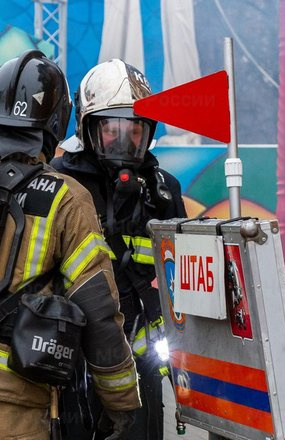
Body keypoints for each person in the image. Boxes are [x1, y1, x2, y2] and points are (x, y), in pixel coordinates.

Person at [0, 50, 140, 439]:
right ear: (59, 122)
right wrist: (121, 402)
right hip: (16, 410)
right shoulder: (66, 199)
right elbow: (98, 312)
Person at [52, 59, 187, 440]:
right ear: (88, 129)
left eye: (135, 129)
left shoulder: (163, 191)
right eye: (112, 129)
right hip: (73, 360)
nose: (124, 140)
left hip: (142, 363)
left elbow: (181, 279)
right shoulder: (61, 182)